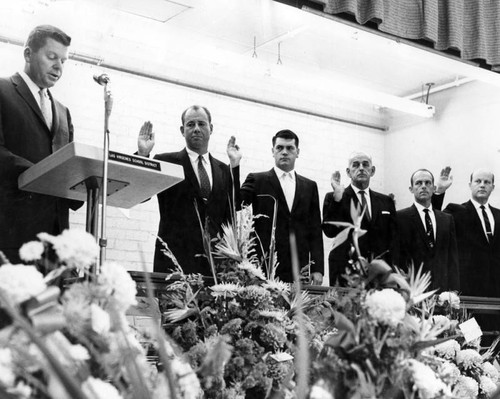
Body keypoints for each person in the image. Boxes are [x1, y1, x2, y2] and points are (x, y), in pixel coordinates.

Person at [0, 25, 81, 264]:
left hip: (55, 239)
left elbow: (67, 164)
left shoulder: (63, 112)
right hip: (11, 234)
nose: (59, 67)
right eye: (52, 57)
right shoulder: (2, 91)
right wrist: (44, 175)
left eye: (64, 61)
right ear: (28, 54)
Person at [137, 105, 241, 274]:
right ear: (182, 130)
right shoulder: (166, 162)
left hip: (215, 268)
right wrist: (143, 156)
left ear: (211, 128)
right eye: (190, 124)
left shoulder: (223, 170)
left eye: (201, 123)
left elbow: (233, 210)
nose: (196, 129)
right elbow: (141, 194)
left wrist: (234, 167)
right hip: (175, 263)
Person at [240, 129, 324, 284]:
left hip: (300, 267)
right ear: (273, 151)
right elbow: (235, 204)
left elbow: (315, 229)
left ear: (297, 152)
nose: (284, 152)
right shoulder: (257, 180)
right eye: (279, 148)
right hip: (263, 265)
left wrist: (318, 268)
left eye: (290, 148)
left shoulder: (310, 186)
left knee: (299, 309)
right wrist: (234, 166)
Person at [322, 152, 398, 286]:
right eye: (355, 165)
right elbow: (329, 231)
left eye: (365, 165)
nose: (361, 168)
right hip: (346, 271)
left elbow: (393, 239)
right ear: (348, 172)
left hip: (378, 272)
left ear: (372, 171)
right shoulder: (335, 197)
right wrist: (338, 198)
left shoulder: (385, 201)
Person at [433, 168, 500, 297]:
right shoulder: (456, 211)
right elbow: (433, 222)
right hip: (468, 291)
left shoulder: (499, 215)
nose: (482, 185)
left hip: (497, 293)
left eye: (487, 182)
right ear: (470, 185)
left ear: (493, 187)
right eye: (478, 181)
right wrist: (439, 192)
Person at [397, 169, 459, 291]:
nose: (423, 186)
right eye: (419, 183)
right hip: (412, 291)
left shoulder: (446, 219)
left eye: (428, 183)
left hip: (442, 291)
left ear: (434, 188)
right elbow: (397, 258)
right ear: (411, 189)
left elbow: (452, 258)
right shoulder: (400, 218)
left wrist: (454, 291)